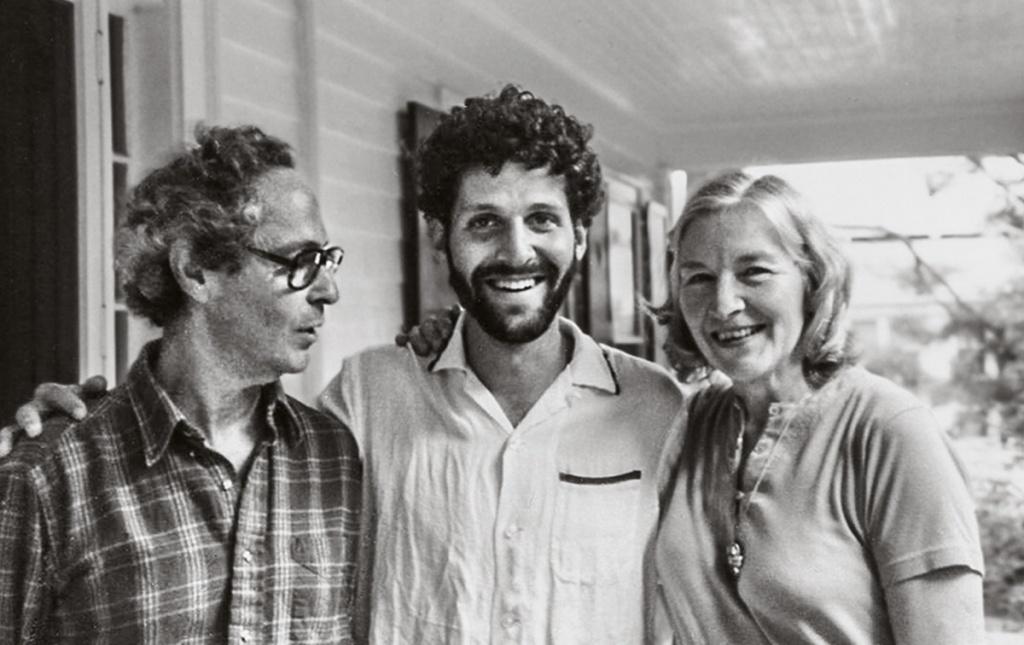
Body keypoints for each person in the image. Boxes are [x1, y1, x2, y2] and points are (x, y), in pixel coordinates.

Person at [2, 86, 684, 644]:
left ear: (581, 237)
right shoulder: (362, 406)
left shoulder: (660, 411)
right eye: (483, 222)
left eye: (543, 219)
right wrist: (66, 419)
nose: (517, 249)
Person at [0, 125, 362, 643]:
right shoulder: (47, 476)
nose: (329, 289)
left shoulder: (335, 457)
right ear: (196, 270)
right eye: (301, 262)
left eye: (326, 260)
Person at [649, 171, 985, 644]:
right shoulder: (687, 424)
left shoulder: (891, 431)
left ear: (811, 279)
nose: (723, 303)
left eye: (755, 272)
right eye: (699, 277)